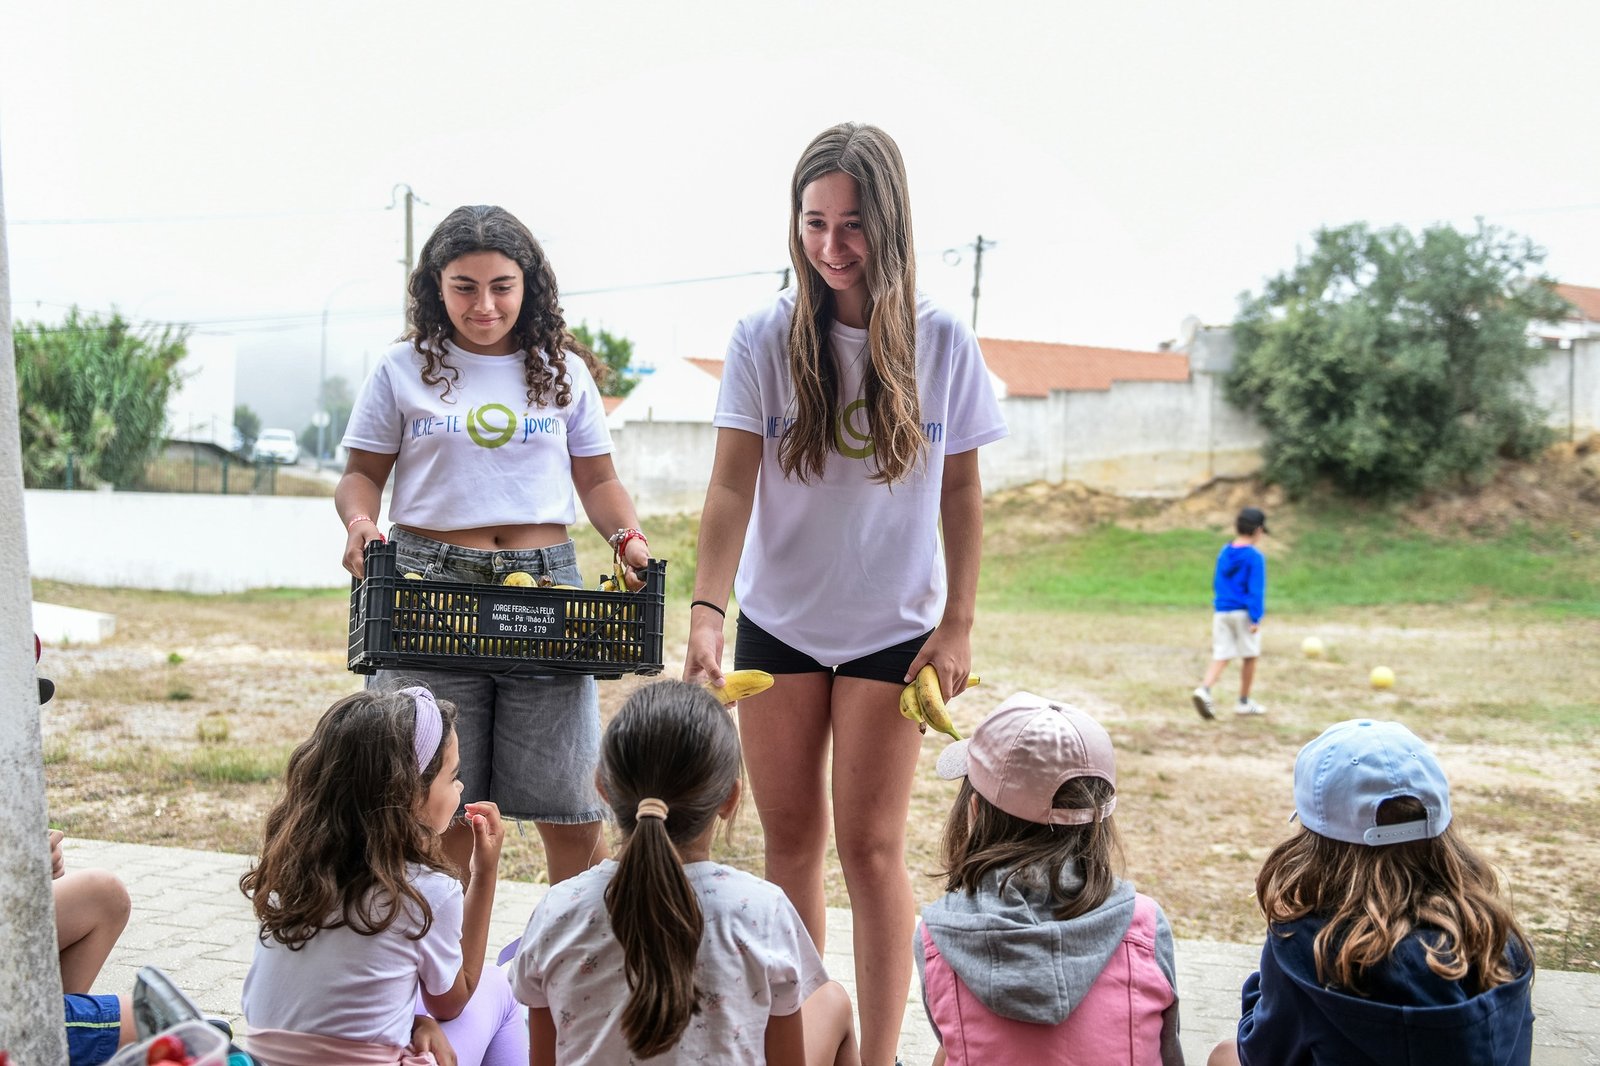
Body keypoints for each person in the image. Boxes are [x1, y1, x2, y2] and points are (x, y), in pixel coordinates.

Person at [682, 121, 1007, 1065]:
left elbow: (961, 489)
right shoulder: (763, 336)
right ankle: (800, 1043)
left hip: (892, 635)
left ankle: (874, 1056)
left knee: (870, 852)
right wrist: (708, 610)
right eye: (814, 222)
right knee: (789, 846)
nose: (831, 245)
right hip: (777, 624)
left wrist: (958, 625)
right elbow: (731, 486)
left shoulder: (943, 340)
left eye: (853, 224)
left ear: (891, 223)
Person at [337, 204, 651, 886]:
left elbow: (597, 480)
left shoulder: (562, 370)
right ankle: (444, 986)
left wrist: (626, 537)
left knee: (571, 809)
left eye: (501, 286)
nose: (484, 305)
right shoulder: (400, 368)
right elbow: (362, 475)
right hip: (426, 591)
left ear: (529, 285)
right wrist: (361, 525)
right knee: (430, 810)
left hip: (545, 593)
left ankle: (566, 982)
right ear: (434, 287)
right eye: (464, 286)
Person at [512, 679, 859, 1066]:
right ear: (730, 798)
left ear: (603, 789)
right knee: (833, 1001)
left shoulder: (558, 909)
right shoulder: (763, 911)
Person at [1209, 719, 1535, 1066]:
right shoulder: (1496, 935)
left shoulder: (1307, 947)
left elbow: (1261, 1053)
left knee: (1224, 1055)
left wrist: (1264, 987)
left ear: (1315, 841)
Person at [239, 686, 525, 1066]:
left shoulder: (290, 872)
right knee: (499, 988)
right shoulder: (426, 891)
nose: (459, 787)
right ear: (409, 793)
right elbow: (453, 1002)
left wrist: (413, 1021)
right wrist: (484, 872)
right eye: (451, 776)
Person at [916, 692, 1184, 1065]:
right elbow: (1167, 1052)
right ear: (1100, 821)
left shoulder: (938, 935)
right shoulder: (1145, 925)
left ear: (975, 812)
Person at [1193, 506, 1268, 719]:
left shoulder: (1224, 552)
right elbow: (1256, 589)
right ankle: (1243, 701)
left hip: (1222, 611)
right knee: (1250, 656)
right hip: (1243, 612)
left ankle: (1204, 689)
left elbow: (1217, 581)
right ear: (1258, 530)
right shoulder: (1254, 557)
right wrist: (1256, 617)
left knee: (1221, 654)